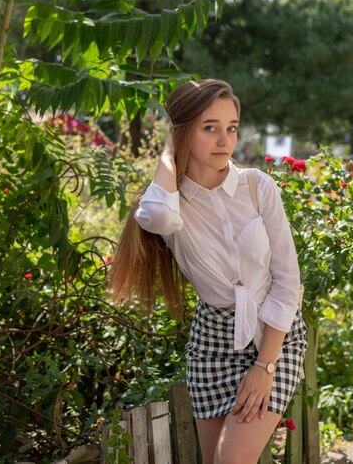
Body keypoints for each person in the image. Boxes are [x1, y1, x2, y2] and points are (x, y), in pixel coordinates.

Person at [109, 79, 307, 464]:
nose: (224, 140)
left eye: (231, 127)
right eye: (209, 127)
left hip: (274, 335)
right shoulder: (173, 203)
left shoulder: (257, 187)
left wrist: (264, 366)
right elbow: (153, 216)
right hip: (213, 342)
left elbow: (287, 280)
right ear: (182, 133)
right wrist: (169, 152)